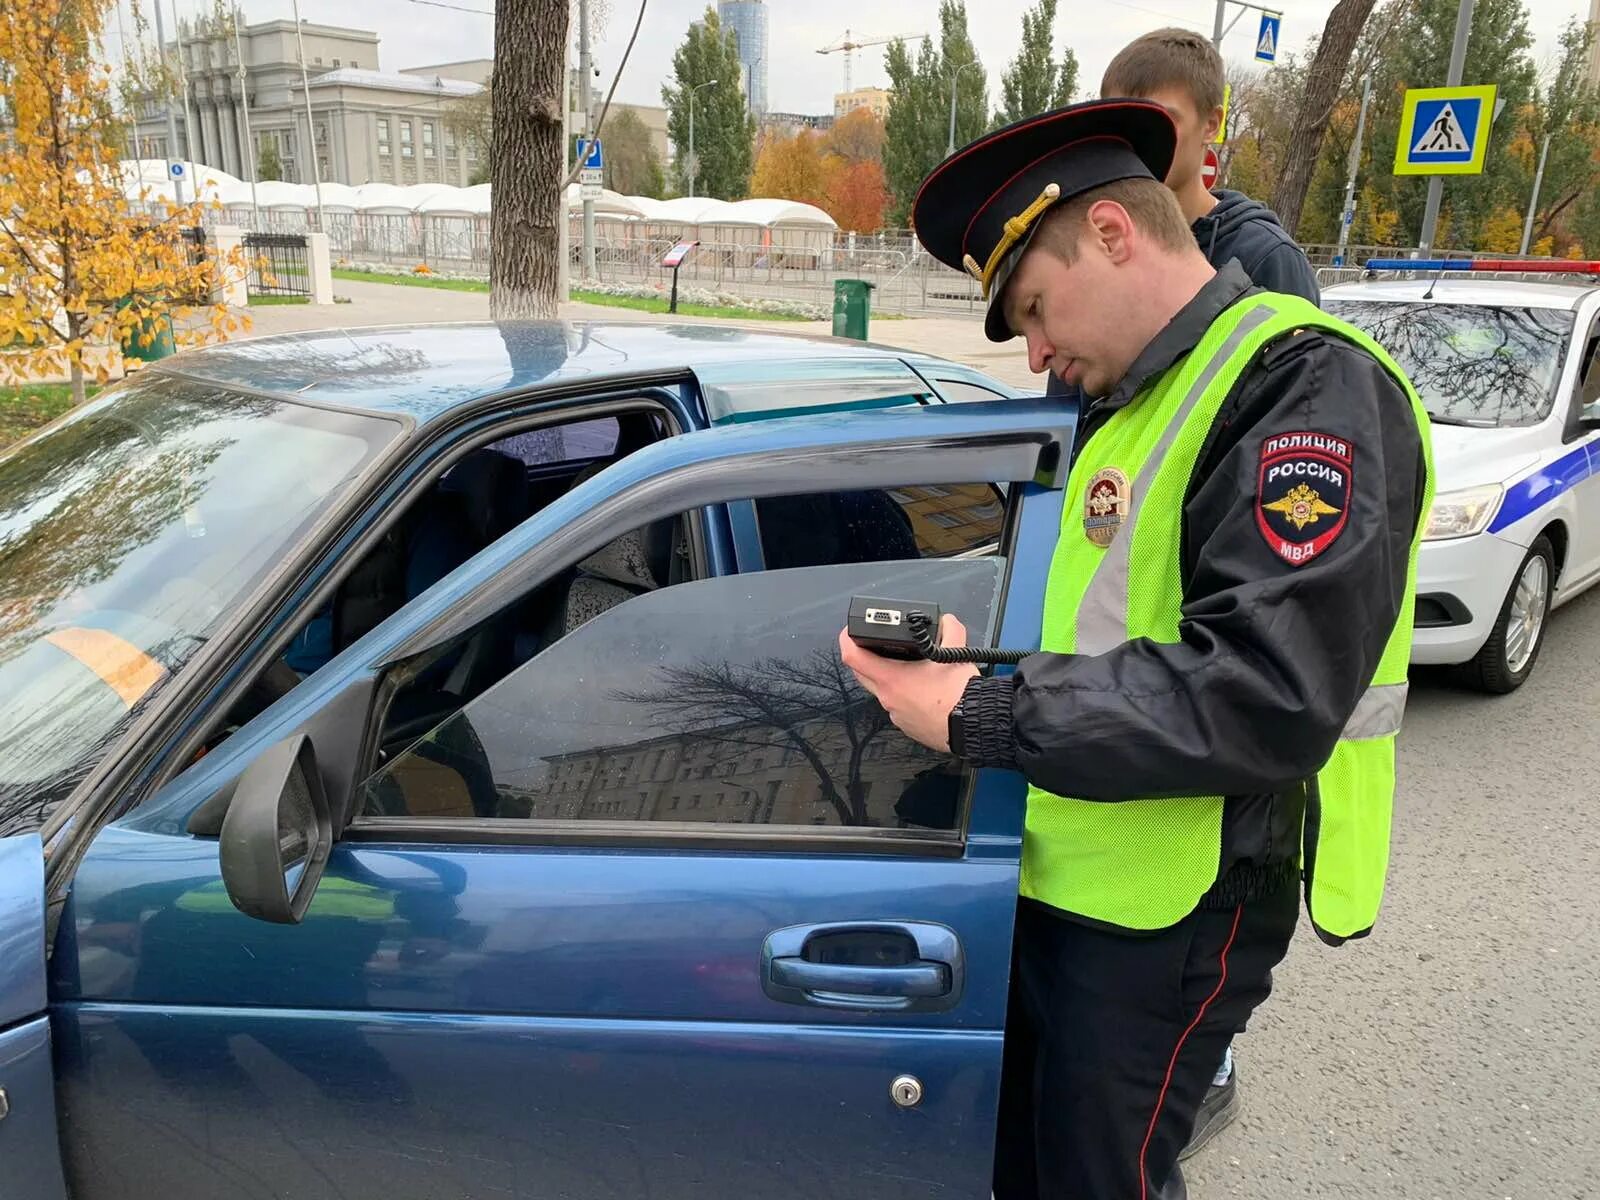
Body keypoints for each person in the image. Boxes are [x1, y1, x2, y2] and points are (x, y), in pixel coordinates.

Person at [840, 97, 1431, 1200]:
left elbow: (1266, 687)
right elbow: (1106, 623)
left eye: (1032, 307)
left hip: (1182, 902)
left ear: (1112, 235)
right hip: (1084, 863)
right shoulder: (1129, 396)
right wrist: (979, 661)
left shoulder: (1303, 386)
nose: (1034, 352)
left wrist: (981, 713)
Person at [1072, 26, 1321, 1156]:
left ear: (1210, 129)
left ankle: (1206, 1062)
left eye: (1158, 126)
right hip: (1126, 739)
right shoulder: (1133, 274)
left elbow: (1260, 650)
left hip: (1201, 780)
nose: (1138, 145)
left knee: (1126, 1136)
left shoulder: (1258, 280)